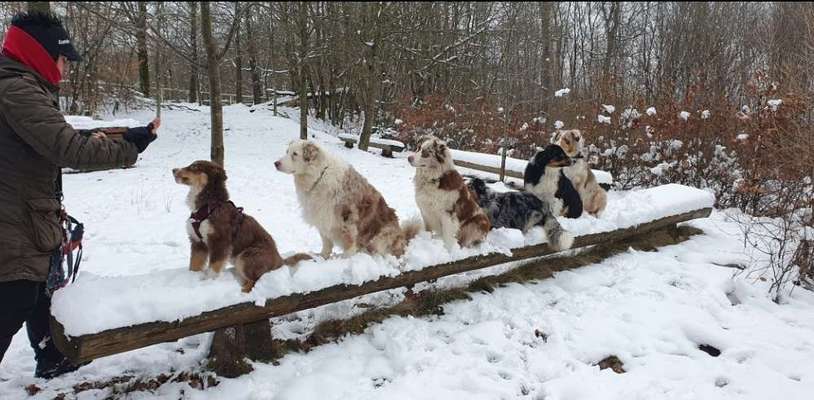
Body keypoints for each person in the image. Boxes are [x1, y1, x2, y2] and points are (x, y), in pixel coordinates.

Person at [0, 11, 159, 379]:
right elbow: (69, 149)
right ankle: (53, 357)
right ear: (39, 54)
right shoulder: (17, 90)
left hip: (25, 215)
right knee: (17, 296)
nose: (66, 68)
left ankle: (53, 357)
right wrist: (130, 148)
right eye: (62, 59)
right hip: (12, 222)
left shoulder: (20, 85)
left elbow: (54, 140)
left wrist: (125, 136)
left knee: (41, 288)